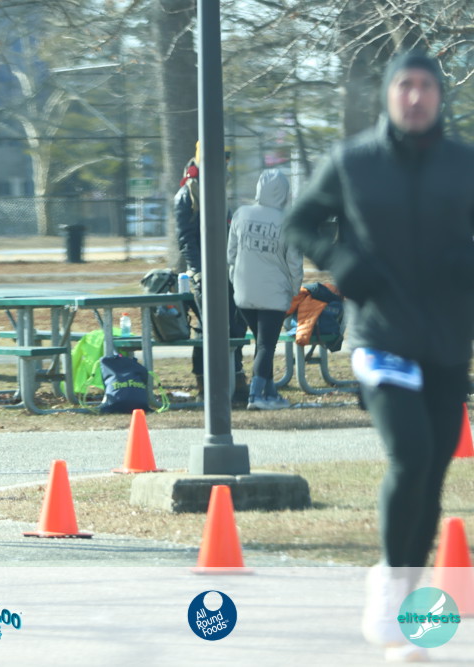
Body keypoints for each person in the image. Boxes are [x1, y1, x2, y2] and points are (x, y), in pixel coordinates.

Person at [283, 50, 474, 662]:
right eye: (404, 86)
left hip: (447, 342)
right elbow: (300, 221)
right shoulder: (354, 161)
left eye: (425, 86)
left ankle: (409, 610)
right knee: (410, 455)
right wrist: (342, 262)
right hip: (381, 337)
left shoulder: (463, 163)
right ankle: (390, 589)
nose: (415, 97)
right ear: (389, 94)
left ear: (439, 95)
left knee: (432, 475)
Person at [174, 142, 249, 402]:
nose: (225, 165)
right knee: (210, 326)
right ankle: (205, 382)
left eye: (227, 160)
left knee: (235, 323)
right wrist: (197, 272)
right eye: (221, 159)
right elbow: (186, 239)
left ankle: (235, 376)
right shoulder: (187, 195)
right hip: (203, 273)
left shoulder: (216, 190)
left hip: (226, 270)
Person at [226, 168, 302, 409]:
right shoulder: (288, 222)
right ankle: (256, 396)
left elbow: (231, 254)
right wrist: (295, 289)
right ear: (284, 193)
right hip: (274, 291)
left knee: (262, 344)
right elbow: (294, 262)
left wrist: (235, 281)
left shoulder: (242, 214)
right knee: (266, 345)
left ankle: (270, 394)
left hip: (243, 291)